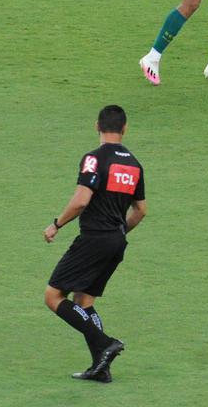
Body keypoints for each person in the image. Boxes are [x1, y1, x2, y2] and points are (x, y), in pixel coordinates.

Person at [43, 105, 146, 383]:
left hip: (94, 239)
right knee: (84, 301)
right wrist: (118, 232)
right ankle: (101, 367)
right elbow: (140, 211)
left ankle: (105, 343)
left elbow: (81, 201)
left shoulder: (94, 158)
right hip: (116, 241)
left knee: (53, 297)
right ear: (125, 129)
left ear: (97, 126)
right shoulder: (134, 165)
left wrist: (56, 224)